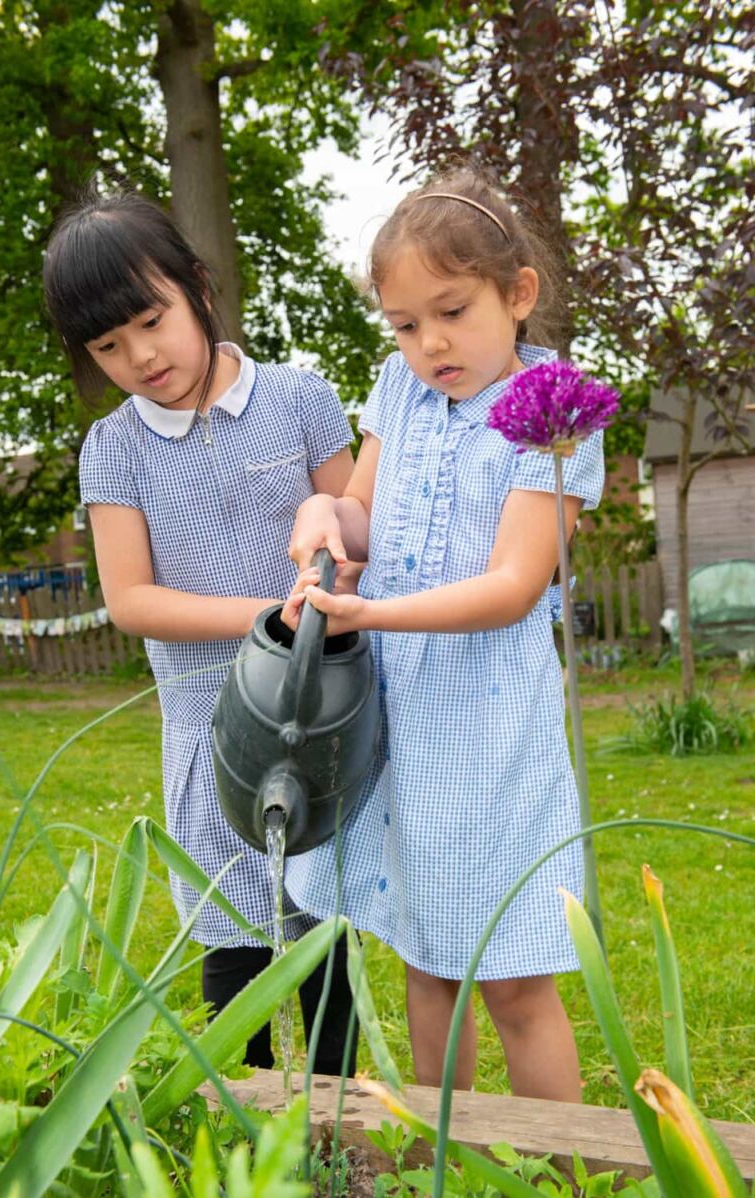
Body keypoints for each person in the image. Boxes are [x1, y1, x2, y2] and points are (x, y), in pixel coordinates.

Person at [282, 167, 605, 1101]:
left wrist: (373, 611)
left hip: (491, 727)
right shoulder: (400, 389)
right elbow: (361, 514)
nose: (430, 342)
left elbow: (512, 586)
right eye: (405, 323)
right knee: (428, 956)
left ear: (519, 293)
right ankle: (444, 1155)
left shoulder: (559, 411)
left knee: (511, 977)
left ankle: (561, 1169)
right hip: (399, 718)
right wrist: (322, 519)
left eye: (453, 311)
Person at [43, 183, 358, 1076]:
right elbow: (133, 599)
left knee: (329, 940)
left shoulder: (299, 399)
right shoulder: (113, 449)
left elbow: (356, 521)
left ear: (198, 288)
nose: (140, 356)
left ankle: (351, 1140)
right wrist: (267, 618)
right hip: (206, 739)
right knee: (232, 949)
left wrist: (323, 595)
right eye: (108, 345)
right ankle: (243, 1129)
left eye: (151, 320)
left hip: (322, 711)